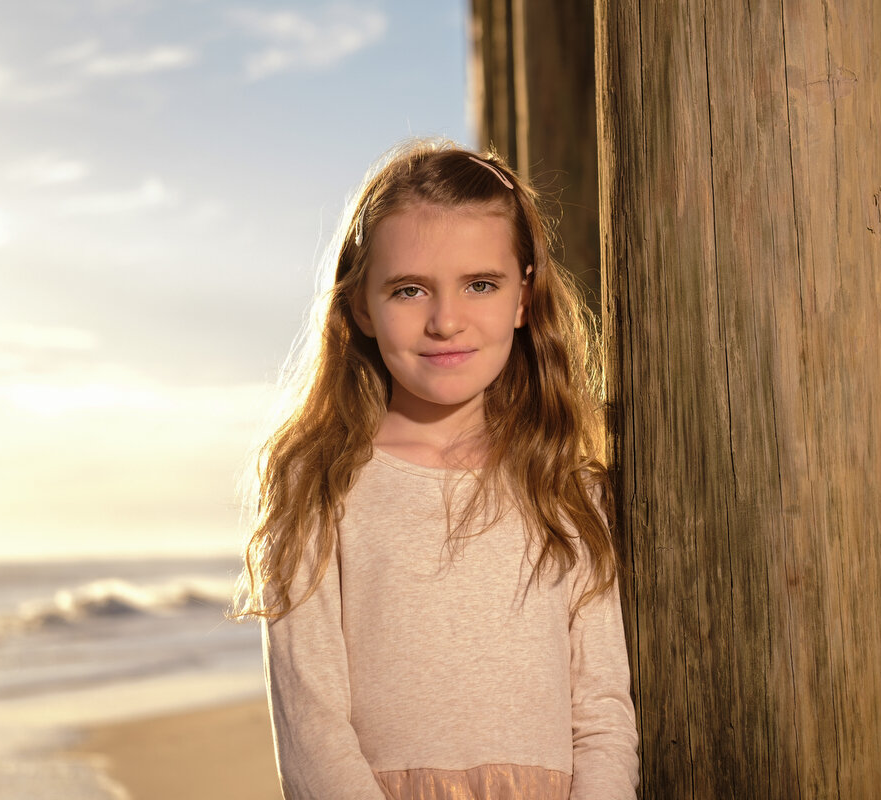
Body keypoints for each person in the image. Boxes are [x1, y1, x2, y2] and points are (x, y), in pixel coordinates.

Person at [236, 140, 639, 799]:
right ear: (362, 306)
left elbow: (601, 710)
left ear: (523, 300)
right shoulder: (317, 484)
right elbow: (312, 725)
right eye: (409, 290)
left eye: (480, 285)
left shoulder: (565, 484)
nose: (446, 320)